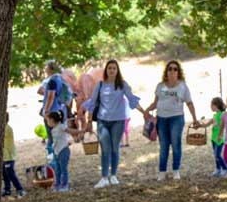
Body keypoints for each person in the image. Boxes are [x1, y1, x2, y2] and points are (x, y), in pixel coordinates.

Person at [81, 59, 148, 188]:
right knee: (105, 149)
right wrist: (89, 122)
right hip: (102, 121)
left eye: (114, 68)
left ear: (117, 71)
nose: (111, 70)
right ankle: (104, 177)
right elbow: (92, 103)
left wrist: (144, 112)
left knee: (114, 148)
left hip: (118, 121)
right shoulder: (100, 85)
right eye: (109, 68)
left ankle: (114, 175)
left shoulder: (122, 84)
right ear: (106, 70)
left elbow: (132, 99)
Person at [143, 60, 201, 181]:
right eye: (170, 69)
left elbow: (189, 103)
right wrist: (147, 110)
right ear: (166, 71)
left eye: (175, 69)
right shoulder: (160, 86)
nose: (172, 71)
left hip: (177, 118)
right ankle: (162, 172)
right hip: (161, 119)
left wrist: (195, 118)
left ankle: (176, 170)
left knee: (176, 144)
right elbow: (156, 102)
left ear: (178, 72)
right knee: (163, 145)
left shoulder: (182, 86)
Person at [46, 110, 79, 192]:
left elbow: (70, 131)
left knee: (63, 169)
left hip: (63, 150)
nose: (47, 122)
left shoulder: (61, 126)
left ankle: (65, 185)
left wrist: (80, 131)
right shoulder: (53, 129)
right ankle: (57, 185)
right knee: (57, 169)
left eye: (48, 120)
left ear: (52, 120)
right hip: (57, 151)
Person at [199, 97, 227, 177]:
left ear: (216, 105)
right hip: (214, 139)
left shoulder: (222, 115)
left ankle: (225, 168)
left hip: (219, 138)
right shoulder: (215, 115)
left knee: (218, 154)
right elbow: (206, 124)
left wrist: (217, 125)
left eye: (211, 105)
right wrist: (199, 125)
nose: (210, 107)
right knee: (215, 155)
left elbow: (224, 125)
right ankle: (218, 169)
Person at [2, 112, 26, 198]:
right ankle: (7, 189)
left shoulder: (7, 129)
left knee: (10, 173)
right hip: (4, 156)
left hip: (9, 156)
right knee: (4, 174)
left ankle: (20, 189)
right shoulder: (3, 128)